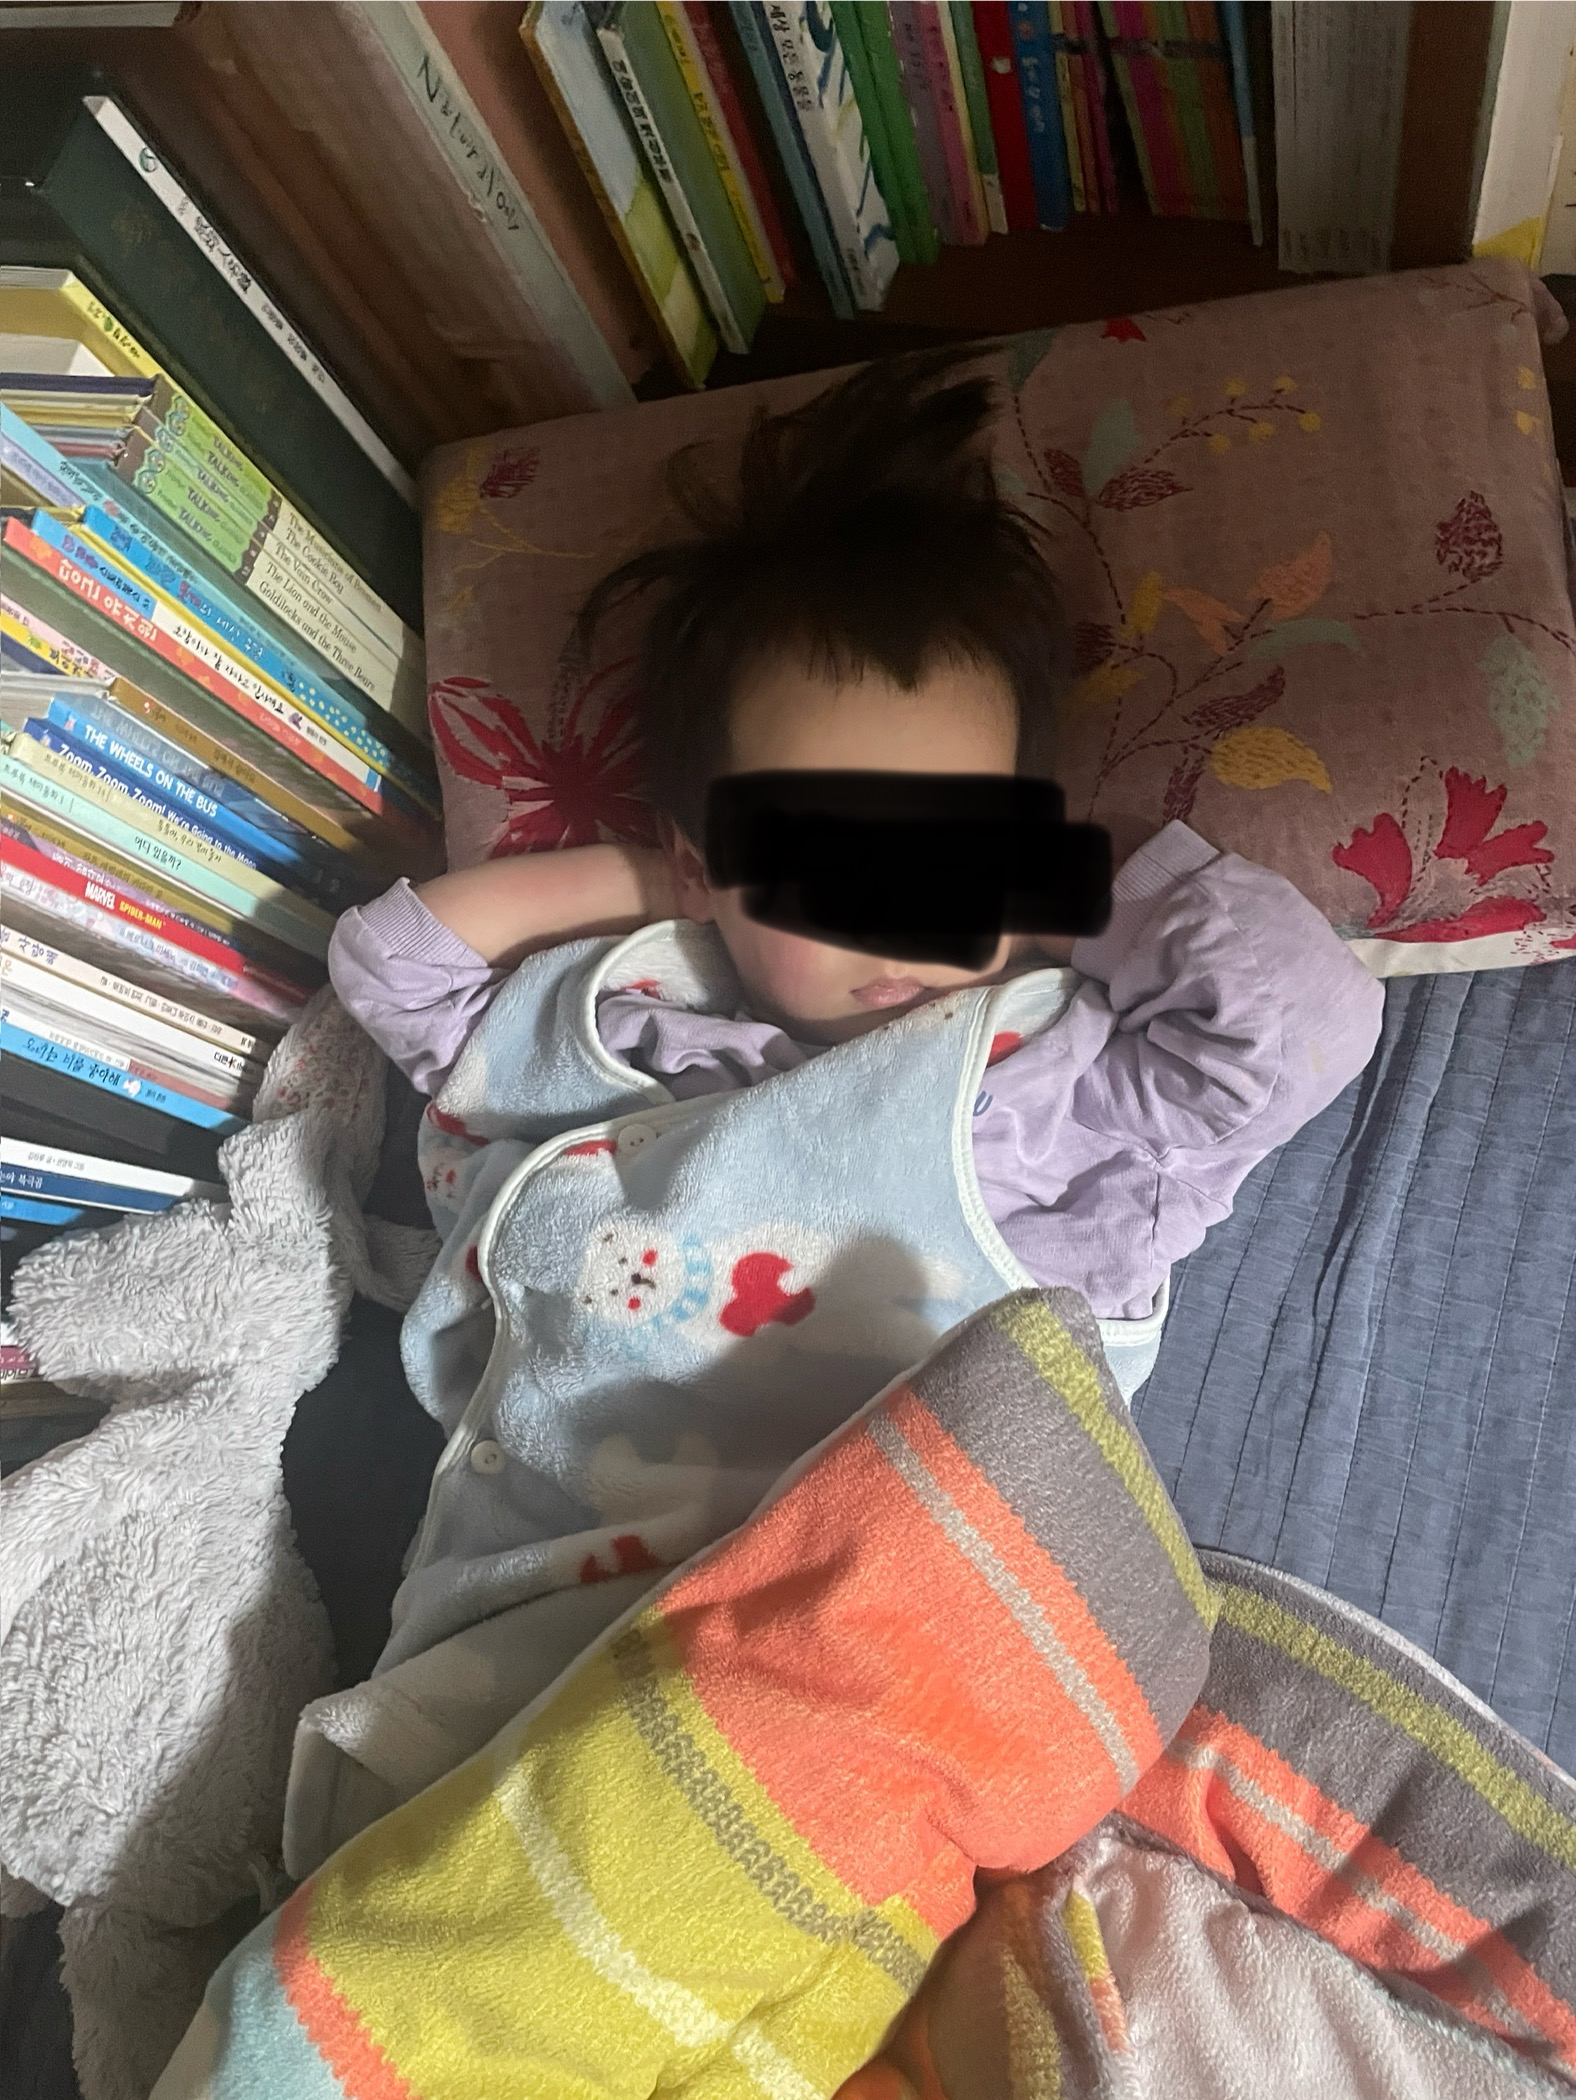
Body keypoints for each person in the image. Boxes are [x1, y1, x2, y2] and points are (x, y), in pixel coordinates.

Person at [323, 350, 1382, 1727]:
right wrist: (673, 885)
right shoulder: (633, 1029)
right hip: (531, 1642)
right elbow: (395, 967)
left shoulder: (1060, 1090)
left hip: (898, 1664)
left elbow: (1305, 1014)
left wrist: (1061, 883)